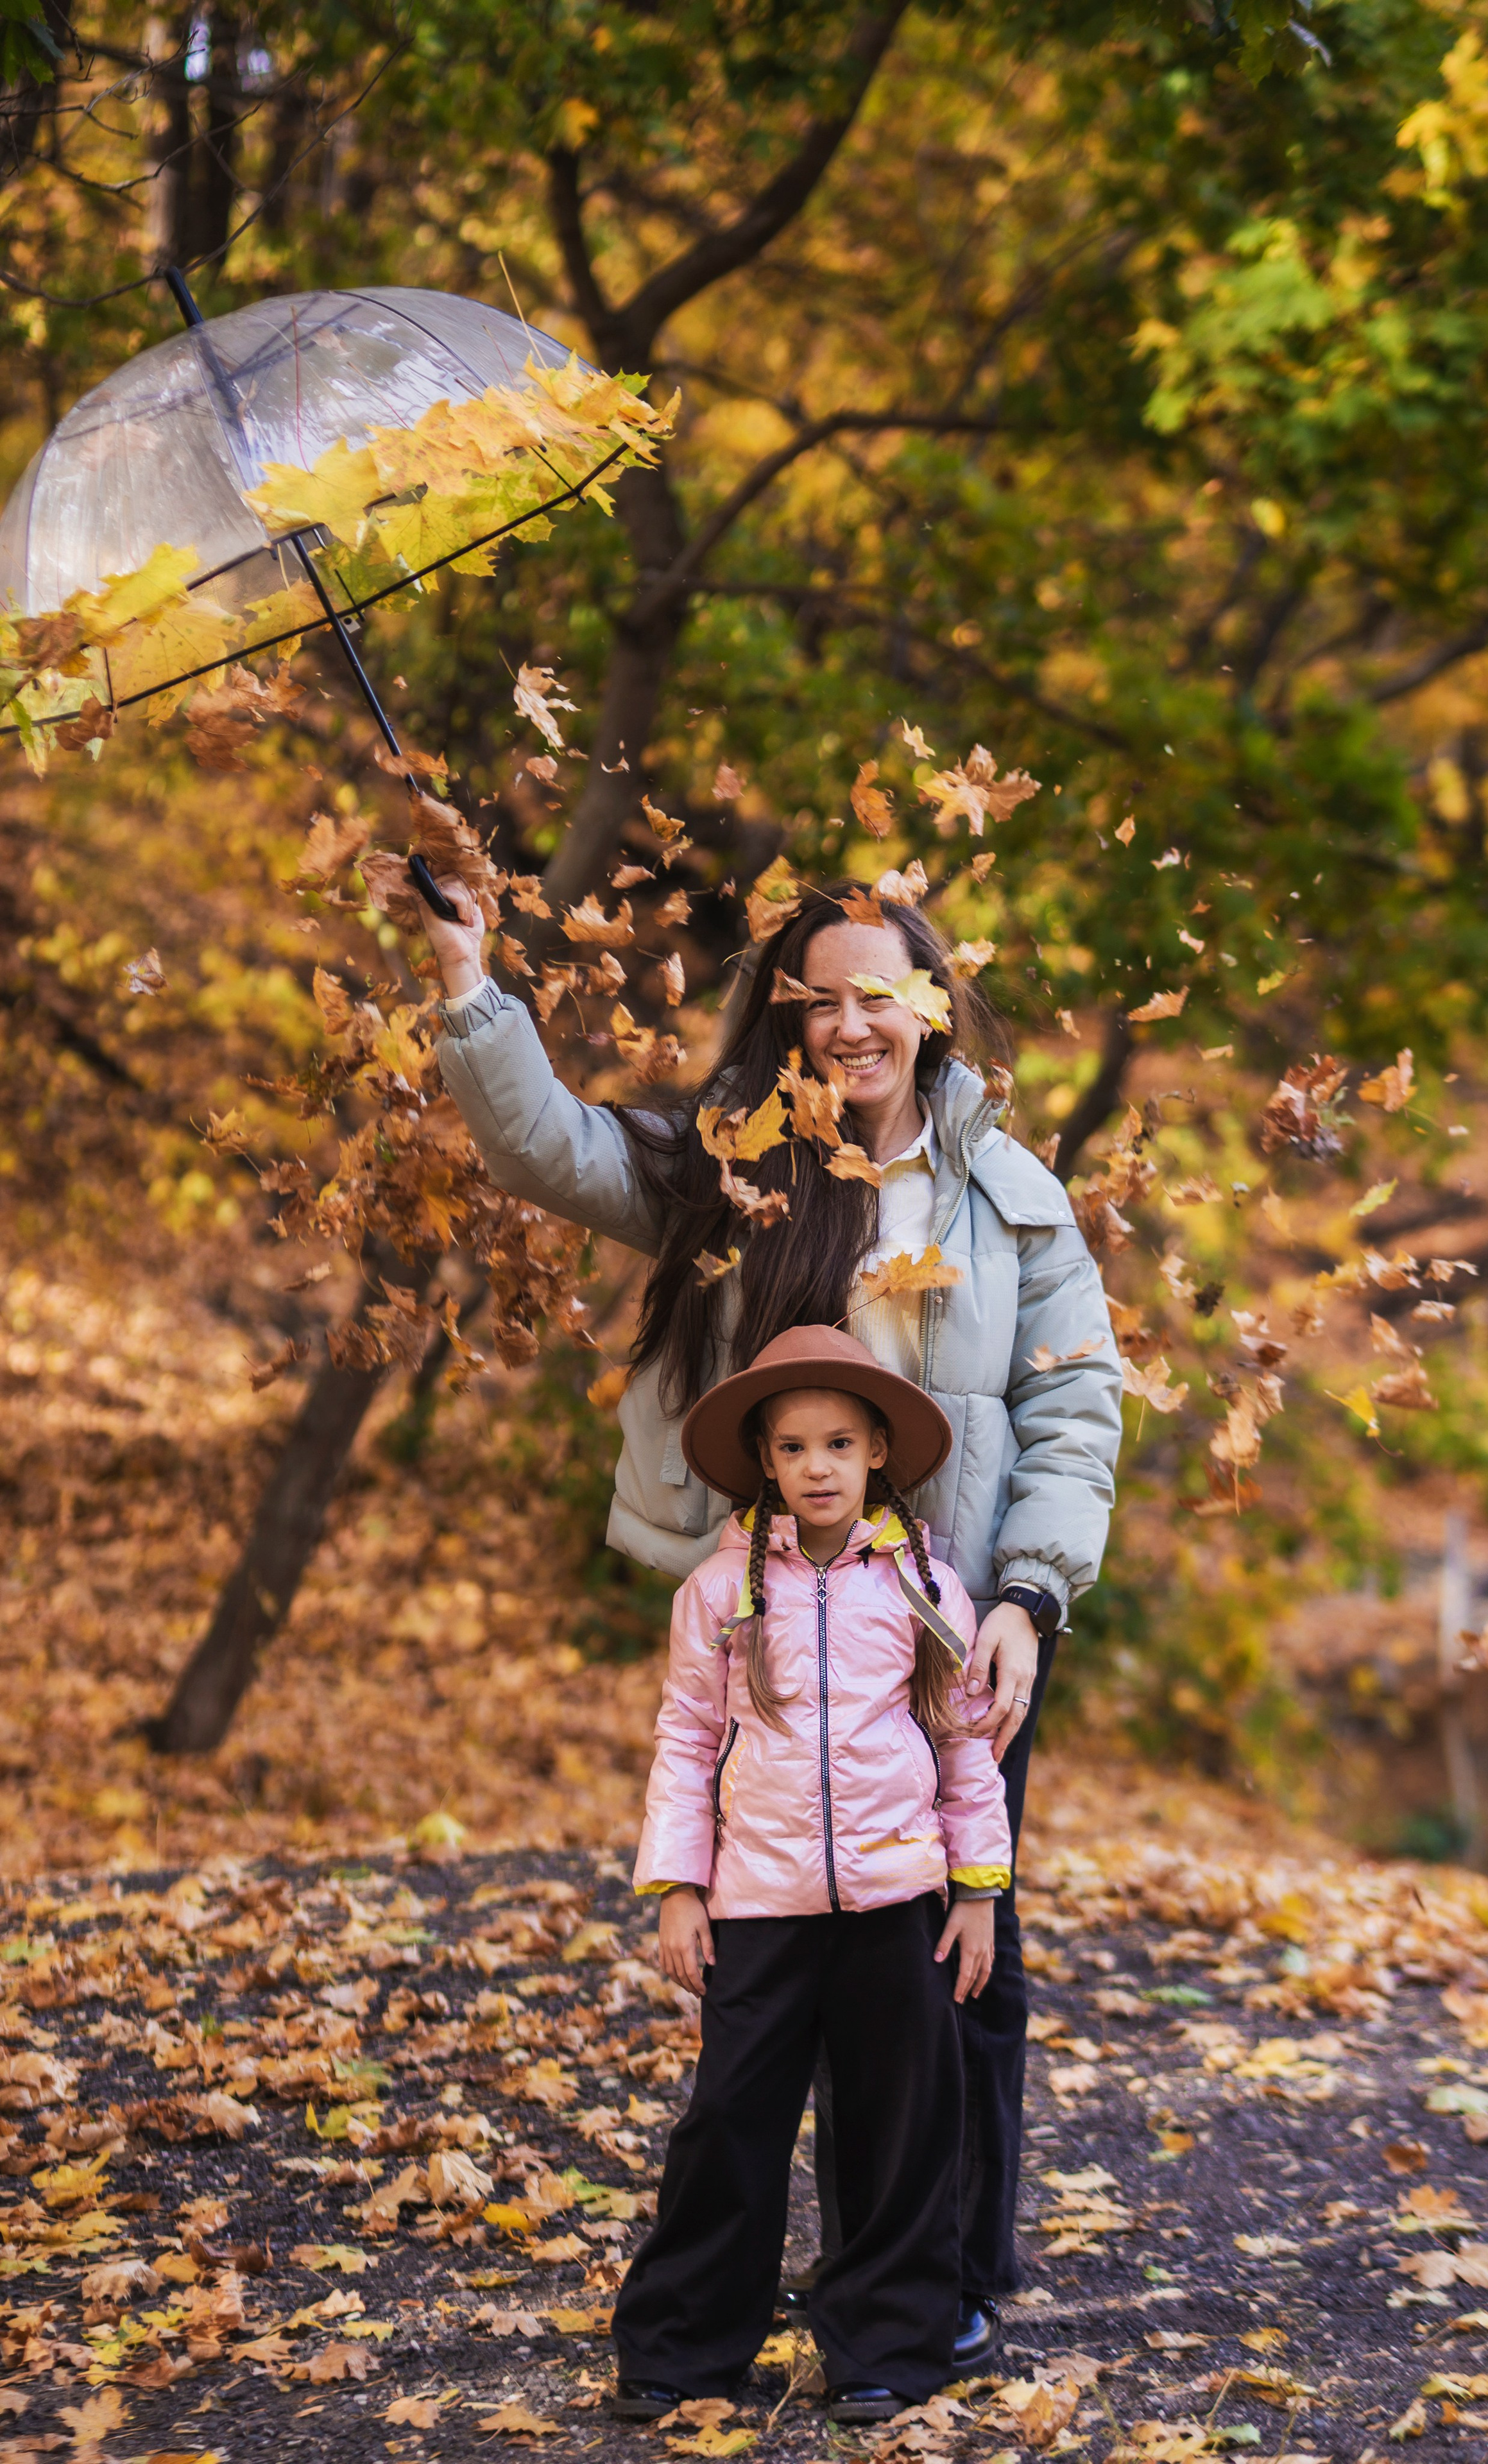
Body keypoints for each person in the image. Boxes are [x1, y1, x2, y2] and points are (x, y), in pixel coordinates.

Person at [421, 866, 1122, 2350]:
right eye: (817, 999)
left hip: (956, 1636)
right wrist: (469, 980)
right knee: (783, 1965)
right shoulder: (725, 1167)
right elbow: (545, 1144)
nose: (850, 1023)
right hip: (779, 1634)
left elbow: (1071, 1411)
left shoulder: (1009, 1193)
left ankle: (939, 2283)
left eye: (881, 994)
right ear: (783, 1018)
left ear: (930, 1009)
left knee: (956, 1963)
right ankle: (776, 2289)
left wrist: (1027, 1596)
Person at [611, 1324, 1012, 2426]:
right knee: (728, 2124)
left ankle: (885, 2346)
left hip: (896, 1906)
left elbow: (963, 1745)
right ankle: (683, 2346)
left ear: (878, 1449)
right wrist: (680, 1887)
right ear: (766, 1461)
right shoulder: (721, 1592)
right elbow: (687, 1741)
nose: (819, 1466)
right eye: (794, 1448)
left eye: (840, 1443)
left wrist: (979, 1893)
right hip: (761, 1905)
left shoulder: (927, 1588)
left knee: (896, 2133)